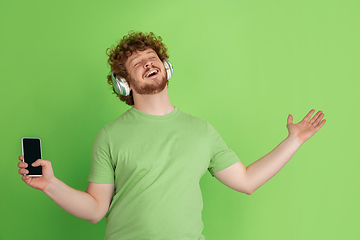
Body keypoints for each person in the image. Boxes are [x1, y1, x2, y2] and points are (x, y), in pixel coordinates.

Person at [18, 31, 326, 240]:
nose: (148, 63)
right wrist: (50, 185)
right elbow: (96, 210)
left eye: (152, 57)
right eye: (137, 63)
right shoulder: (110, 136)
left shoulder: (201, 131)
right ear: (123, 84)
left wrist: (294, 140)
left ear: (166, 67)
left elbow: (246, 181)